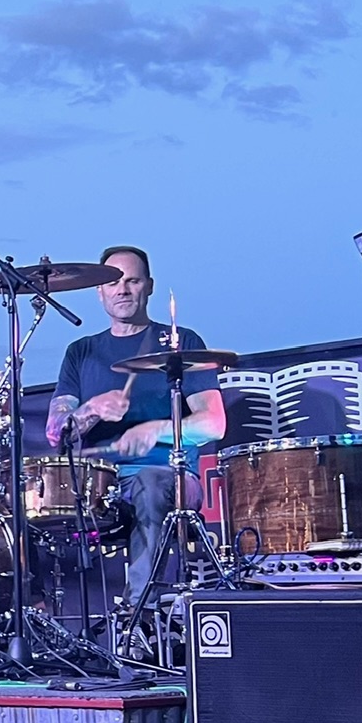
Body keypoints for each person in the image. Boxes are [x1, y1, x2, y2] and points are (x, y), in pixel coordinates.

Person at [44, 246, 227, 602]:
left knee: (148, 483)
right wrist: (92, 409)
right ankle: (34, 619)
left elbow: (215, 424)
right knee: (23, 502)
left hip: (170, 478)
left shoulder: (180, 342)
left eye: (133, 280)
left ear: (149, 286)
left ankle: (138, 615)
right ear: (99, 291)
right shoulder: (81, 352)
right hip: (98, 487)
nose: (122, 290)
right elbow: (57, 433)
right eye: (113, 283)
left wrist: (156, 431)